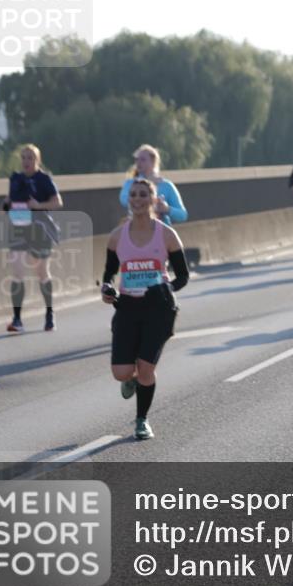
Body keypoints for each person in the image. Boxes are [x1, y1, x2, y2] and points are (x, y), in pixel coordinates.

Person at [101, 178, 189, 440]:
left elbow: (183, 276)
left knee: (146, 368)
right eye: (133, 195)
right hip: (127, 307)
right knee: (122, 373)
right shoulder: (117, 237)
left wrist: (166, 289)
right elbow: (108, 274)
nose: (137, 199)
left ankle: (142, 420)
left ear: (152, 200)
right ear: (129, 200)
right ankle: (132, 379)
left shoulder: (167, 235)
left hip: (158, 309)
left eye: (143, 195)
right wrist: (107, 290)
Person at [3, 144, 63, 332]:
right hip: (19, 227)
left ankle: (49, 313)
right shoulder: (15, 178)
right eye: (24, 157)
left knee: (41, 273)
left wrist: (38, 205)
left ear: (37, 160)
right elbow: (9, 200)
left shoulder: (44, 179)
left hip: (39, 229)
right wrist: (6, 204)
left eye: (30, 158)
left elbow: (57, 202)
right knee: (17, 272)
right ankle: (17, 319)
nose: (26, 161)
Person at [119, 144, 188, 226]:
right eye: (137, 159)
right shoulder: (130, 183)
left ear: (153, 162)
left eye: (143, 159)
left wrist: (167, 209)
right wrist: (150, 201)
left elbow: (183, 215)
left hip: (161, 232)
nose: (138, 162)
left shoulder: (167, 185)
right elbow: (123, 199)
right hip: (137, 230)